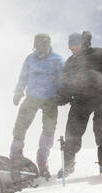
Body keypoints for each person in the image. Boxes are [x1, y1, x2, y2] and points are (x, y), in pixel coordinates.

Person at [56, 31, 102, 176]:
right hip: (79, 100)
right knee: (72, 132)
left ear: (83, 42)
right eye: (71, 47)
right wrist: (62, 97)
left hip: (100, 96)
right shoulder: (70, 62)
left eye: (75, 45)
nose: (73, 48)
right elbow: (66, 83)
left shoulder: (100, 53)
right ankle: (68, 164)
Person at [9, 33, 64, 179]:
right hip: (32, 96)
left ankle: (42, 160)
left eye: (43, 47)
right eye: (37, 47)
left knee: (49, 129)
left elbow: (63, 79)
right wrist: (18, 91)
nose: (40, 51)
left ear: (48, 45)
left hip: (50, 99)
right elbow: (23, 76)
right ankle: (15, 156)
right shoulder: (30, 59)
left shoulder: (57, 60)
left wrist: (62, 94)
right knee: (20, 125)